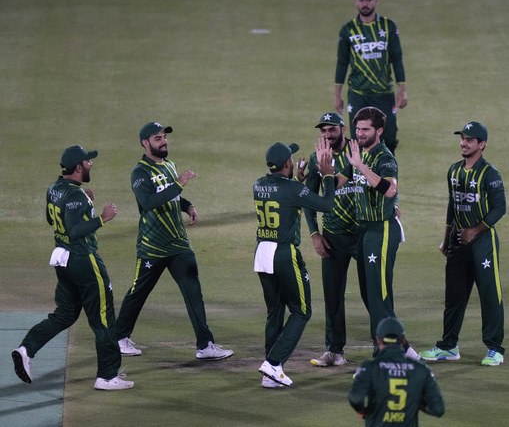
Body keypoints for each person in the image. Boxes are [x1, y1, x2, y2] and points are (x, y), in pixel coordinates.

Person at [12, 146, 133, 390]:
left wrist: (84, 204)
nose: (91, 164)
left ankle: (26, 349)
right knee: (103, 318)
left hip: (63, 261)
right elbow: (74, 230)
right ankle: (107, 376)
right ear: (78, 167)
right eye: (88, 162)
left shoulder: (54, 188)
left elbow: (52, 219)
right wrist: (102, 218)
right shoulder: (75, 195)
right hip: (84, 260)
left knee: (66, 313)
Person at [115, 122, 233, 361]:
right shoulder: (140, 172)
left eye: (164, 137)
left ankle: (205, 345)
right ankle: (118, 338)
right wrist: (179, 184)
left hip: (178, 244)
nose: (164, 141)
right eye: (157, 138)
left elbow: (172, 195)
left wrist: (187, 205)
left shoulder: (169, 165)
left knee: (194, 293)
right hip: (153, 246)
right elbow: (148, 202)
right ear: (145, 143)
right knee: (138, 292)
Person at [419, 122, 507, 366]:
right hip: (458, 242)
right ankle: (448, 346)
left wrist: (474, 231)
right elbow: (453, 205)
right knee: (454, 296)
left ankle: (495, 349)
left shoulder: (490, 174)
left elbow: (500, 208)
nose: (463, 143)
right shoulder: (454, 170)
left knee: (489, 295)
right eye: (462, 138)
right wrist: (447, 238)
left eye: (469, 139)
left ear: (482, 144)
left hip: (483, 243)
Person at [253, 140, 335, 388]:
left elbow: (284, 197)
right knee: (301, 311)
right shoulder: (291, 188)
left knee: (275, 311)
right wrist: (327, 176)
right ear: (288, 163)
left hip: (262, 252)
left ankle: (270, 373)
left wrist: (296, 181)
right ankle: (274, 363)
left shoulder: (258, 184)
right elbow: (326, 205)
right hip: (283, 253)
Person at [339, 106, 419, 360]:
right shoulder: (358, 154)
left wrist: (360, 166)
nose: (360, 134)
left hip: (382, 229)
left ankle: (385, 352)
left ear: (379, 131)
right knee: (369, 294)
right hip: (364, 229)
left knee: (378, 294)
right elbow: (338, 182)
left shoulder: (384, 157)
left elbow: (391, 189)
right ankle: (402, 347)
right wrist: (316, 173)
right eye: (358, 129)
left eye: (366, 129)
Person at [300, 112, 359, 368]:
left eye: (331, 129)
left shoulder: (358, 151)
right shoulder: (316, 158)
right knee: (332, 295)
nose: (327, 135)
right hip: (333, 235)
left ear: (343, 129)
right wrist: (315, 234)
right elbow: (309, 199)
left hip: (363, 233)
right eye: (323, 131)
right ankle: (334, 351)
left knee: (373, 295)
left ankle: (388, 347)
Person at [334, 0, 407, 154]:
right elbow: (342, 63)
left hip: (383, 92)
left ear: (376, 1)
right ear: (356, 2)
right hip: (358, 93)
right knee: (359, 139)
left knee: (389, 138)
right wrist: (337, 94)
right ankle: (360, 171)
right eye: (361, 0)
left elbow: (397, 58)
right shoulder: (348, 30)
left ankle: (387, 170)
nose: (365, 3)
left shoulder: (388, 26)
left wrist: (402, 89)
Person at [349, 317, 445, 425]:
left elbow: (355, 399)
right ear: (403, 340)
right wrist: (417, 402)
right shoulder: (421, 369)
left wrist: (364, 411)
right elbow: (438, 409)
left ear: (378, 340)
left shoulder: (369, 367)